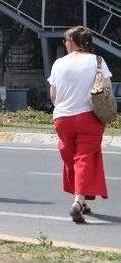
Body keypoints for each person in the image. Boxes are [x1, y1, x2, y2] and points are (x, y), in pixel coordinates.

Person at [48, 26, 111, 224]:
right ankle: (78, 201)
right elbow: (106, 90)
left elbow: (53, 94)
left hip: (63, 119)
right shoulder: (98, 62)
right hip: (89, 118)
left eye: (65, 41)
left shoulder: (59, 63)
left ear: (72, 42)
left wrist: (62, 108)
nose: (65, 44)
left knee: (70, 157)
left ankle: (82, 200)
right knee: (84, 158)